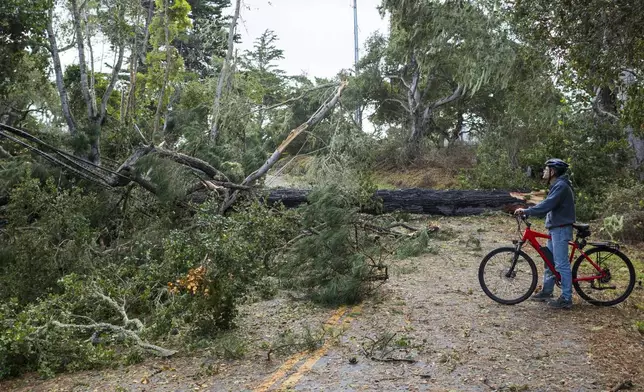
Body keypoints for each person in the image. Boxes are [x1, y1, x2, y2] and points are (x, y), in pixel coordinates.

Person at [514, 158, 576, 309]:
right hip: (555, 228)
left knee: (561, 264)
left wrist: (527, 211)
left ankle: (567, 299)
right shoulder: (557, 185)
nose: (544, 171)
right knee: (550, 262)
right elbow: (546, 204)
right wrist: (529, 209)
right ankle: (547, 291)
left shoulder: (560, 186)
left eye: (546, 169)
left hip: (560, 229)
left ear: (553, 172)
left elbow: (547, 205)